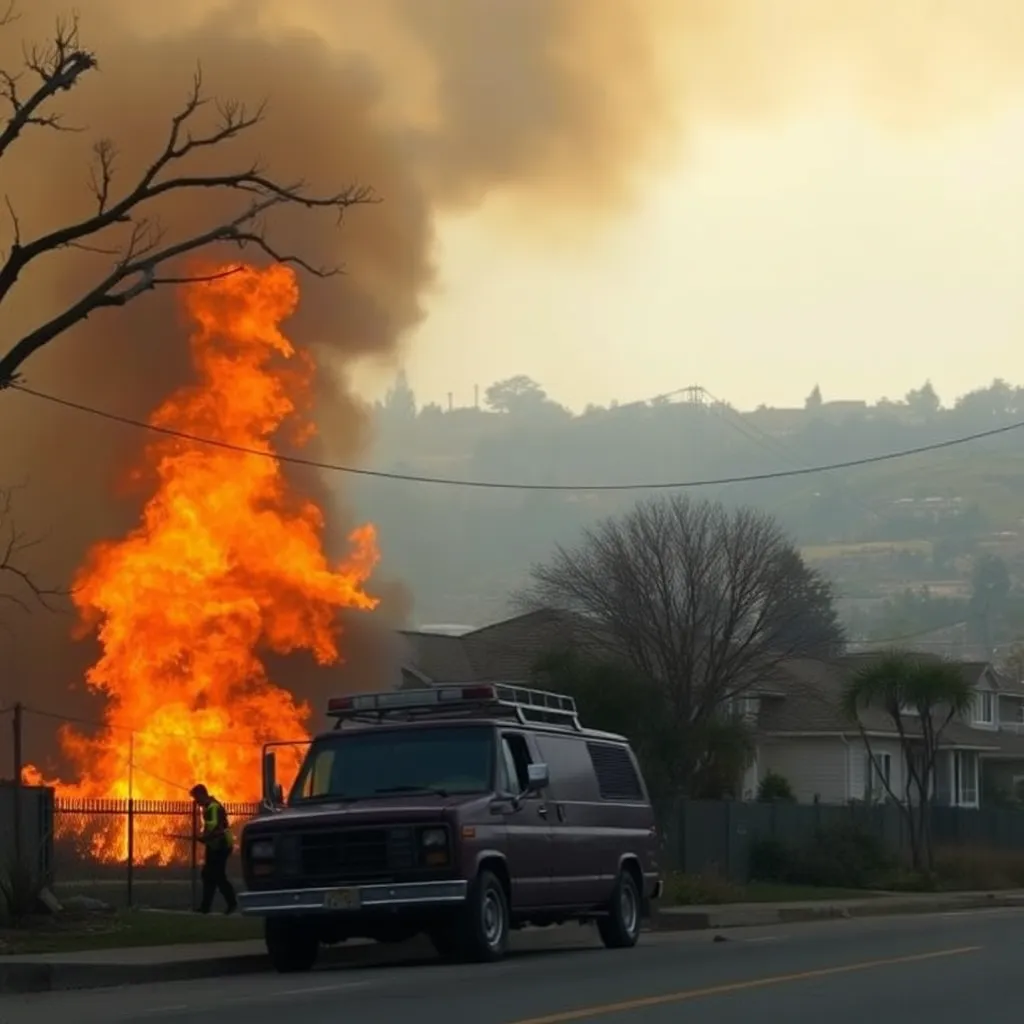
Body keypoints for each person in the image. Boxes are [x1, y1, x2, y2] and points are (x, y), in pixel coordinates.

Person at [190, 783, 238, 915]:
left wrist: (204, 838)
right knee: (208, 874)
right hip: (215, 845)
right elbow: (211, 828)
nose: (196, 801)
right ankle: (206, 907)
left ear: (201, 794)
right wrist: (204, 837)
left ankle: (232, 904)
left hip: (220, 845)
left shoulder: (212, 807)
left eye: (196, 797)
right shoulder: (210, 806)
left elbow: (214, 828)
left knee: (217, 875)